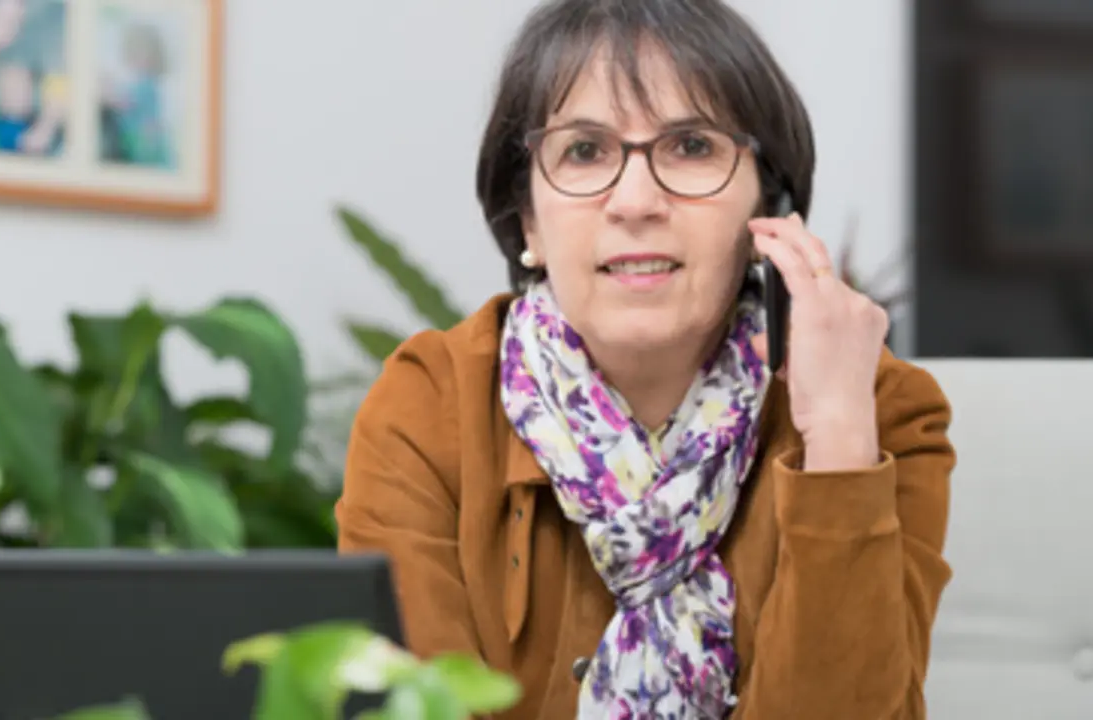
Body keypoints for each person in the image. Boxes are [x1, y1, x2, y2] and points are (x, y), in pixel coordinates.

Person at [335, 0, 955, 717]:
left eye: (691, 146)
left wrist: (840, 441)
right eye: (585, 151)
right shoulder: (430, 407)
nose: (635, 201)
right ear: (527, 217)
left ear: (770, 205)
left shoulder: (881, 413)